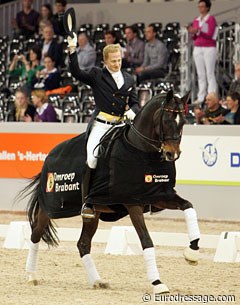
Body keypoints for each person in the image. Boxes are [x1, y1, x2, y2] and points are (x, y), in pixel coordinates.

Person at [67, 33, 140, 218]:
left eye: (119, 60)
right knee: (92, 158)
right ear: (105, 61)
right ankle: (88, 202)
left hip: (121, 126)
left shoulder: (129, 79)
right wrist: (72, 50)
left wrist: (132, 111)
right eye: (113, 61)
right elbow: (76, 72)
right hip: (102, 125)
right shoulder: (96, 75)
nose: (117, 64)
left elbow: (135, 103)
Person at [187, 0, 218, 104]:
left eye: (202, 6)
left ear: (207, 7)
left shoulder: (211, 19)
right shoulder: (196, 20)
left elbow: (210, 33)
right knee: (200, 74)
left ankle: (211, 95)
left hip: (209, 47)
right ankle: (201, 96)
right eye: (199, 6)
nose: (200, 8)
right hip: (198, 47)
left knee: (210, 72)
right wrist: (193, 32)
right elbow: (195, 36)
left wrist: (198, 30)